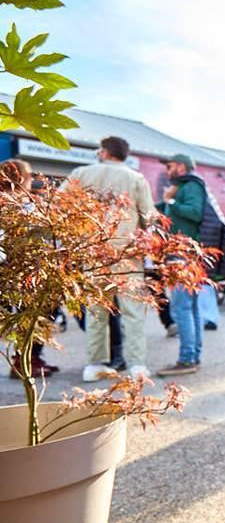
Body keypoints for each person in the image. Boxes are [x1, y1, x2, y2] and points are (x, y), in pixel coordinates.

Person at [68, 137, 155, 381]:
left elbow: (61, 207)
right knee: (133, 313)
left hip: (93, 250)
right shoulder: (136, 178)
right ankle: (137, 365)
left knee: (96, 310)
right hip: (127, 254)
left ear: (105, 152)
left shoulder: (81, 173)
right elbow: (150, 218)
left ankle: (94, 365)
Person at [1, 159, 59, 377]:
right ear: (21, 177)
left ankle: (26, 358)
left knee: (26, 315)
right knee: (36, 314)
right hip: (28, 267)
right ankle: (26, 360)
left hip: (14, 267)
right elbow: (41, 231)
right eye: (30, 174)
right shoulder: (23, 204)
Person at [155, 154, 205, 376]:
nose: (167, 169)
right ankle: (192, 356)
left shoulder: (191, 185)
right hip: (184, 254)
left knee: (181, 308)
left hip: (182, 254)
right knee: (190, 308)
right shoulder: (181, 187)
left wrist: (171, 201)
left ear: (181, 166)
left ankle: (186, 360)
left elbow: (195, 213)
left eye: (169, 165)